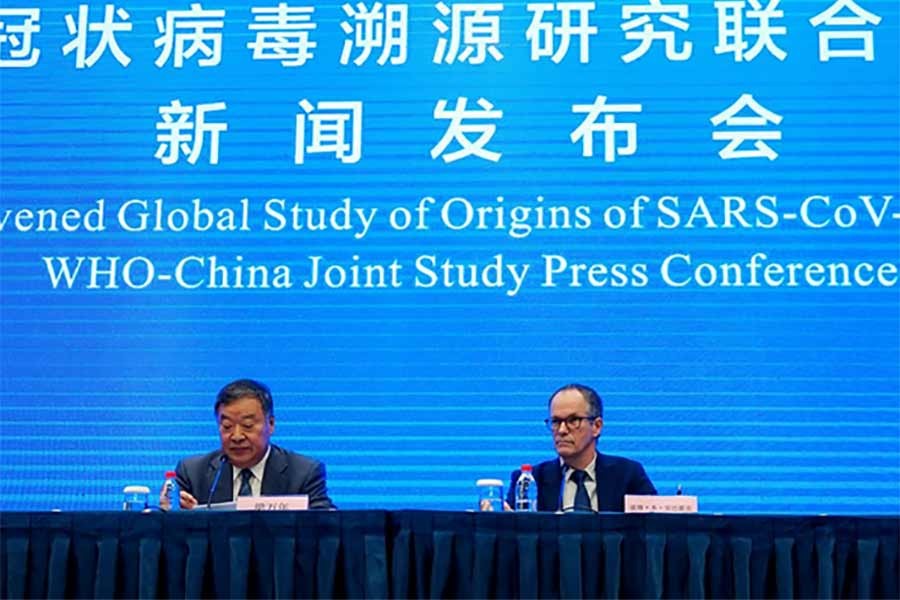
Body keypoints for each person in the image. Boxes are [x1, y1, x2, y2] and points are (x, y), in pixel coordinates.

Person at [161, 378, 335, 509]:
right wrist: (168, 514)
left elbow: (327, 529)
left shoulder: (304, 473)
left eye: (248, 425)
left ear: (271, 424)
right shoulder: (192, 473)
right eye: (227, 426)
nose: (236, 436)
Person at [507, 383, 656, 512]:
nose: (562, 430)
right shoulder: (530, 480)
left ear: (597, 426)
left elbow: (655, 529)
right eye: (556, 422)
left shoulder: (627, 475)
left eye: (573, 420)